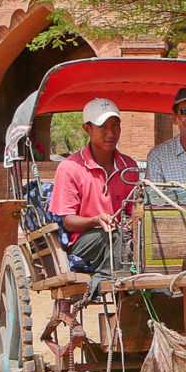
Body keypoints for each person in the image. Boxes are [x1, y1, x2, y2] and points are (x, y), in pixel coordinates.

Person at [48, 97, 139, 278]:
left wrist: (132, 222)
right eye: (102, 127)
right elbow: (68, 221)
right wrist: (96, 220)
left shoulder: (129, 166)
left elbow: (133, 210)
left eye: (115, 125)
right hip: (86, 240)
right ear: (87, 129)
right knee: (112, 238)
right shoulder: (70, 167)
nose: (110, 133)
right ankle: (107, 282)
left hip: (122, 236)